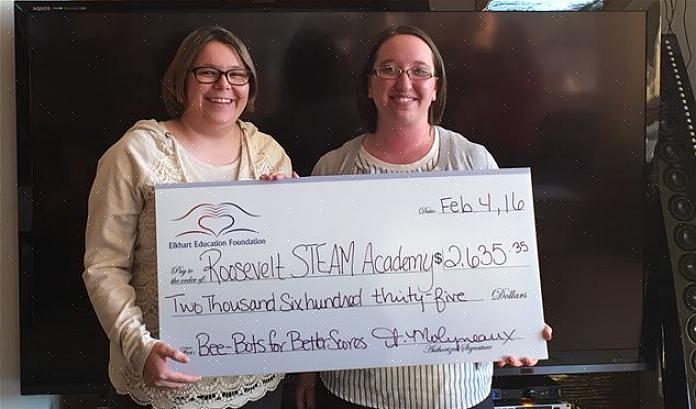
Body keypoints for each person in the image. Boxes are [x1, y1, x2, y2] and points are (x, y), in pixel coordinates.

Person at [297, 25, 553, 409]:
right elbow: (313, 285)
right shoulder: (333, 169)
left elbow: (505, 269)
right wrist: (305, 370)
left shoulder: (474, 162)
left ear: (436, 88)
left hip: (455, 392)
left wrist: (521, 325)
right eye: (389, 69)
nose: (404, 82)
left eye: (419, 71)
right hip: (354, 390)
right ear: (369, 86)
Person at [83, 26, 292, 409]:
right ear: (182, 79)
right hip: (163, 381)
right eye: (208, 72)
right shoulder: (137, 153)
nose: (224, 85)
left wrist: (298, 213)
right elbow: (104, 266)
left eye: (237, 74)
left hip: (256, 377)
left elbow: (291, 264)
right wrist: (139, 348)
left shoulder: (270, 153)